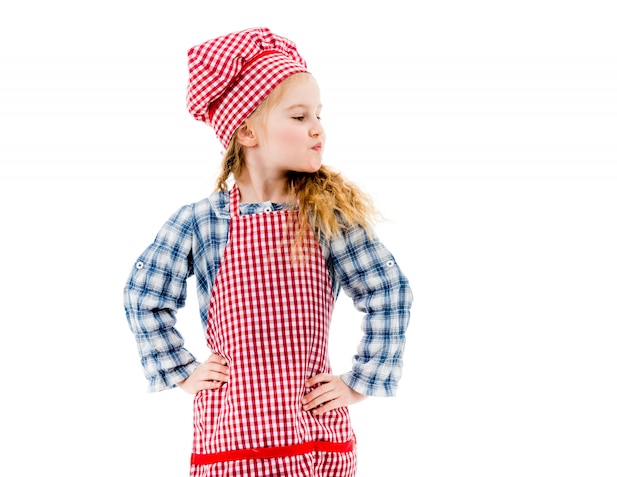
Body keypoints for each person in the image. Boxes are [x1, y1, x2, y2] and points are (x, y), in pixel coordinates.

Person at [123, 26, 413, 477]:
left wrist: (361, 382)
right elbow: (144, 296)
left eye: (319, 114)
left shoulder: (326, 216)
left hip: (315, 436)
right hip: (231, 438)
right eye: (299, 117)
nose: (317, 128)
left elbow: (389, 291)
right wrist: (181, 370)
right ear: (247, 133)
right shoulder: (202, 222)